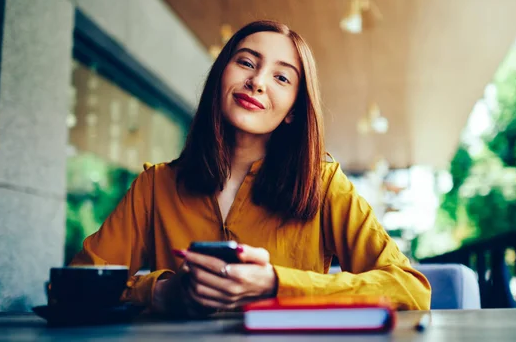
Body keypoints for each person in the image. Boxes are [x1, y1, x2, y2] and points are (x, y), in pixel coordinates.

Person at [71, 20, 431, 317]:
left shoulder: (323, 184)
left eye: (282, 78)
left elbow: (410, 288)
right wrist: (162, 292)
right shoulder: (155, 185)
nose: (257, 81)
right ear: (219, 77)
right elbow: (72, 287)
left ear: (293, 109)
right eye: (246, 62)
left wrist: (276, 284)